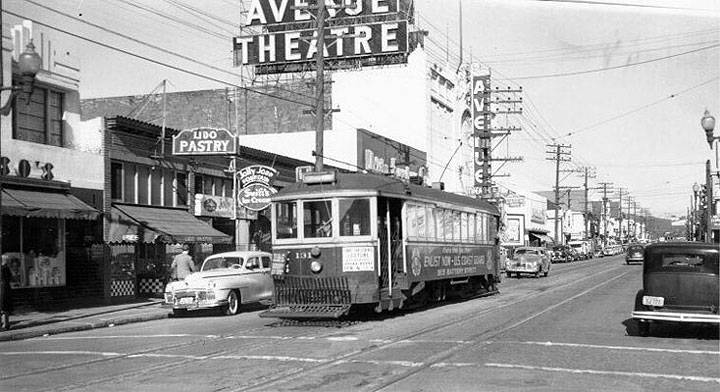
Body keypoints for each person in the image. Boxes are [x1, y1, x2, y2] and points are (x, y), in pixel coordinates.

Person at [1, 255, 13, 331]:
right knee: (5, 307)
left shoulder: (3, 268)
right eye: (8, 260)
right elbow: (10, 277)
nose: (9, 262)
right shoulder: (5, 268)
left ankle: (5, 324)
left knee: (3, 307)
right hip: (5, 288)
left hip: (3, 288)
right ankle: (6, 324)